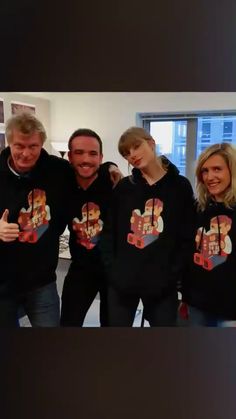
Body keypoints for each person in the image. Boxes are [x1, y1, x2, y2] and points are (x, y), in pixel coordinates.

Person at [107, 127, 195, 327]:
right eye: (126, 153)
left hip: (162, 286)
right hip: (123, 283)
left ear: (152, 143)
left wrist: (172, 274)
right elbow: (109, 232)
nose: (132, 156)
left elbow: (187, 236)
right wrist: (114, 271)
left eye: (136, 146)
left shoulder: (180, 186)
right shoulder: (124, 188)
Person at [0, 112, 76, 327]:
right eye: (19, 146)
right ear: (9, 143)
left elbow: (86, 170)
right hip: (3, 282)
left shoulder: (58, 170)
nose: (26, 153)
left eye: (33, 146)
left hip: (42, 281)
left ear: (42, 144)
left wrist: (109, 167)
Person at [60, 128, 122, 327]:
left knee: (112, 331)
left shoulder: (114, 183)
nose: (86, 159)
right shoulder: (62, 182)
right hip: (81, 269)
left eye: (93, 153)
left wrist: (111, 166)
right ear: (69, 156)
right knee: (68, 324)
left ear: (101, 157)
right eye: (79, 153)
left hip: (113, 270)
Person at [181, 143, 236, 326]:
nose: (210, 177)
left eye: (217, 169)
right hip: (197, 307)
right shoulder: (197, 209)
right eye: (205, 171)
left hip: (230, 313)